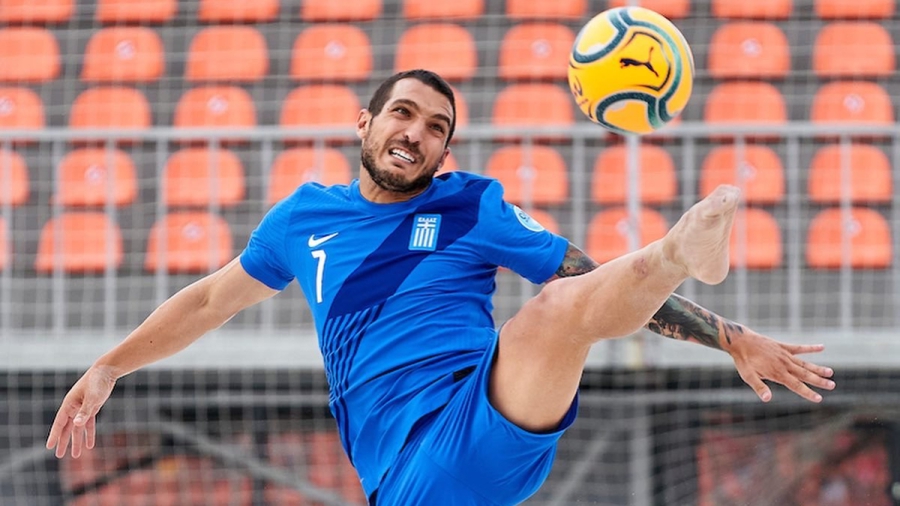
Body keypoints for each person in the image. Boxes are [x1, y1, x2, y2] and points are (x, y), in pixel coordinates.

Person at [47, 69, 835, 505]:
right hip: (400, 473)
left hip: (487, 417)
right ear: (364, 124)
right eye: (404, 114)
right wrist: (110, 365)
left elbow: (590, 284)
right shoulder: (302, 218)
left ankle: (676, 249)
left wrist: (730, 335)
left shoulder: (472, 204)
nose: (417, 133)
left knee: (560, 308)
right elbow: (208, 301)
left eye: (436, 128)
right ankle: (672, 250)